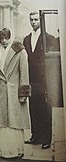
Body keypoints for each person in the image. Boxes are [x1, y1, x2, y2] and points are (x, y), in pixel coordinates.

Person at [0, 28, 31, 158]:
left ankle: (17, 150)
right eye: (1, 38)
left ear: (11, 37)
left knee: (14, 122)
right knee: (2, 123)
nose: (4, 41)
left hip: (14, 92)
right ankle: (4, 150)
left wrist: (23, 93)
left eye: (6, 38)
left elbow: (24, 73)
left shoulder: (20, 51)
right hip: (1, 91)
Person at [23, 11, 56, 149]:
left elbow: (52, 62)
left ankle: (47, 138)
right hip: (31, 79)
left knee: (45, 109)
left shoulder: (49, 38)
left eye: (36, 19)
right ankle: (35, 135)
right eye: (31, 20)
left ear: (41, 21)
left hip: (44, 80)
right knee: (33, 108)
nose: (34, 22)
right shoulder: (27, 38)